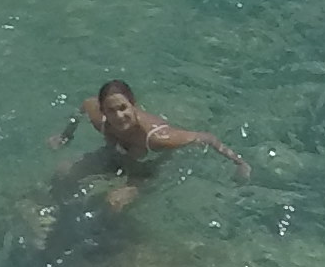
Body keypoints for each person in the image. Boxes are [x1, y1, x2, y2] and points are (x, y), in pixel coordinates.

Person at [55, 78, 254, 208]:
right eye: (111, 110)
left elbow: (206, 138)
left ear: (133, 105)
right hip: (115, 156)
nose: (119, 116)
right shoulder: (101, 121)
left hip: (144, 171)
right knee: (63, 170)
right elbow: (85, 105)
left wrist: (240, 162)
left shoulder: (156, 137)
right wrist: (65, 136)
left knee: (113, 201)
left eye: (123, 108)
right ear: (103, 111)